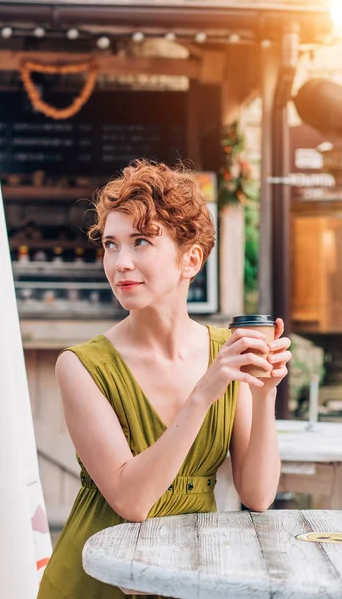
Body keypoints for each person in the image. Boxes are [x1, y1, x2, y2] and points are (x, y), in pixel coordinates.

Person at [37, 160, 292, 599]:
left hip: (191, 575)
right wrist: (201, 397)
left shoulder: (223, 352)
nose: (121, 263)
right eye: (112, 245)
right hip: (99, 581)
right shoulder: (81, 366)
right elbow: (132, 502)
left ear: (190, 259)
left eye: (140, 242)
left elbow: (258, 494)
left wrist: (265, 392)